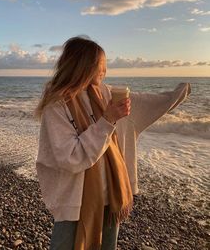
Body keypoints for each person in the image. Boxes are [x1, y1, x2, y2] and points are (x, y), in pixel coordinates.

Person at [34, 36, 191, 250]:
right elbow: (70, 157)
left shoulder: (106, 94)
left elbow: (147, 103)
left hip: (111, 195)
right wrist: (107, 120)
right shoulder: (57, 104)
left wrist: (178, 94)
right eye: (101, 66)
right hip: (75, 201)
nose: (104, 72)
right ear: (84, 67)